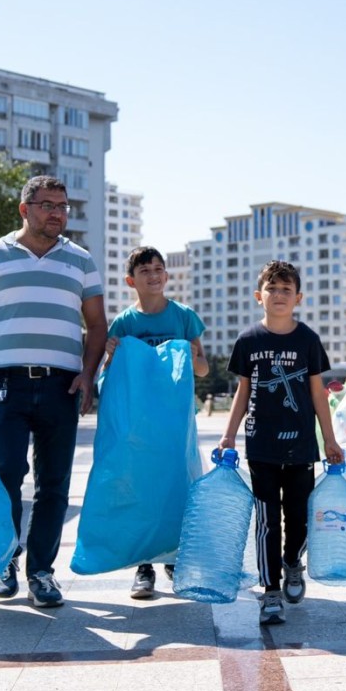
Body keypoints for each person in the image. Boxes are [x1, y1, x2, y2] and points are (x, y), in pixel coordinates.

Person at [0, 175, 106, 608]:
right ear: (24, 209)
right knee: (6, 472)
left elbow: (98, 325)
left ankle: (42, 573)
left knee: (54, 484)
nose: (57, 213)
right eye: (48, 205)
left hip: (61, 384)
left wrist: (88, 374)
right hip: (6, 382)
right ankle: (6, 560)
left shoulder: (81, 261)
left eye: (63, 206)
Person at [219, 260, 343, 625]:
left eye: (286, 290)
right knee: (267, 521)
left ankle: (292, 564)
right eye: (272, 289)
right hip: (261, 447)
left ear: (298, 298)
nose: (278, 295)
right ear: (259, 296)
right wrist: (228, 436)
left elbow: (318, 394)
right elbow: (243, 393)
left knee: (300, 518)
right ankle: (270, 590)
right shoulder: (248, 341)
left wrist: (330, 440)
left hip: (302, 446)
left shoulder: (308, 340)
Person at [101, 246, 209, 600]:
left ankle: (176, 559)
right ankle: (144, 565)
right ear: (131, 280)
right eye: (145, 270)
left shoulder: (184, 316)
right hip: (139, 425)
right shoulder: (124, 324)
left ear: (167, 275)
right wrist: (113, 358)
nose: (153, 275)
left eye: (159, 269)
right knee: (142, 490)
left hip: (177, 422)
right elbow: (112, 377)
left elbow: (203, 369)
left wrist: (192, 357)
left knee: (179, 487)